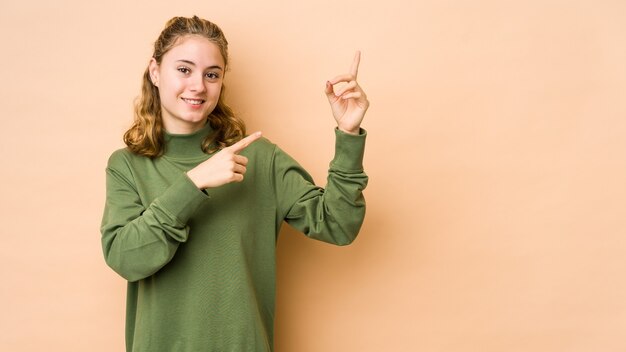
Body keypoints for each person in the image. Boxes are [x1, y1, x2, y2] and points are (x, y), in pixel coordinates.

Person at [100, 15, 369, 352]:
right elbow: (126, 258)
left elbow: (338, 225)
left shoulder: (259, 158)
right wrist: (193, 184)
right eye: (184, 70)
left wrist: (348, 134)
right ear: (155, 71)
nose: (198, 85)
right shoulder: (127, 165)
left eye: (211, 74)